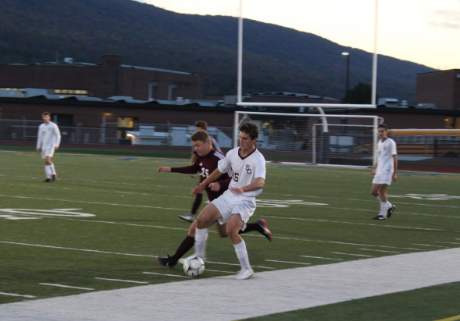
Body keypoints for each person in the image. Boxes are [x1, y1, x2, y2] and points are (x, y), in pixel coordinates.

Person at [156, 130, 271, 269]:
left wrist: (219, 184)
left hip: (225, 201)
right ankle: (257, 226)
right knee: (225, 232)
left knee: (195, 229)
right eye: (194, 146)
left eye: (198, 145)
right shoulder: (201, 156)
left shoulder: (219, 158)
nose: (195, 149)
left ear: (207, 143)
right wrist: (171, 169)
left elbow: (234, 178)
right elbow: (194, 168)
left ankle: (173, 260)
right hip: (215, 202)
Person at [190, 122, 266, 280]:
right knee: (201, 220)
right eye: (240, 138)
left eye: (245, 138)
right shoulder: (232, 154)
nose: (241, 141)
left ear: (254, 140)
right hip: (229, 196)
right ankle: (199, 256)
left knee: (231, 230)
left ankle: (247, 268)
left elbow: (260, 183)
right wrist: (201, 185)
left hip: (246, 199)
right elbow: (218, 171)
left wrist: (244, 189)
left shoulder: (258, 159)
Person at [179, 120, 222, 223]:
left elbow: (220, 154)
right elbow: (194, 154)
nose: (197, 133)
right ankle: (195, 215)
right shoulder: (198, 142)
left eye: (199, 131)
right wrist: (192, 167)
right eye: (196, 131)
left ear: (205, 131)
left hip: (213, 171)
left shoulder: (210, 140)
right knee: (201, 190)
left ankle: (214, 215)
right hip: (205, 169)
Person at [370, 123, 397, 220]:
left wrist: (394, 173)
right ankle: (389, 206)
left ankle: (383, 214)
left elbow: (395, 158)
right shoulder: (379, 143)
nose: (380, 133)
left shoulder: (391, 142)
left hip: (387, 170)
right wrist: (374, 169)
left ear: (386, 132)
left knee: (382, 190)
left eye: (382, 131)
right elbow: (379, 157)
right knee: (373, 191)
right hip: (380, 171)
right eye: (379, 131)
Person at [36, 112, 61, 182]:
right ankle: (48, 177)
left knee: (47, 160)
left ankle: (54, 173)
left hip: (51, 145)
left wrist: (57, 144)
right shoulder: (41, 126)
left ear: (49, 117)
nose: (45, 118)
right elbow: (39, 137)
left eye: (46, 116)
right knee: (46, 161)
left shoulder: (53, 125)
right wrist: (38, 146)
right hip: (44, 146)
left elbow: (58, 135)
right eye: (44, 117)